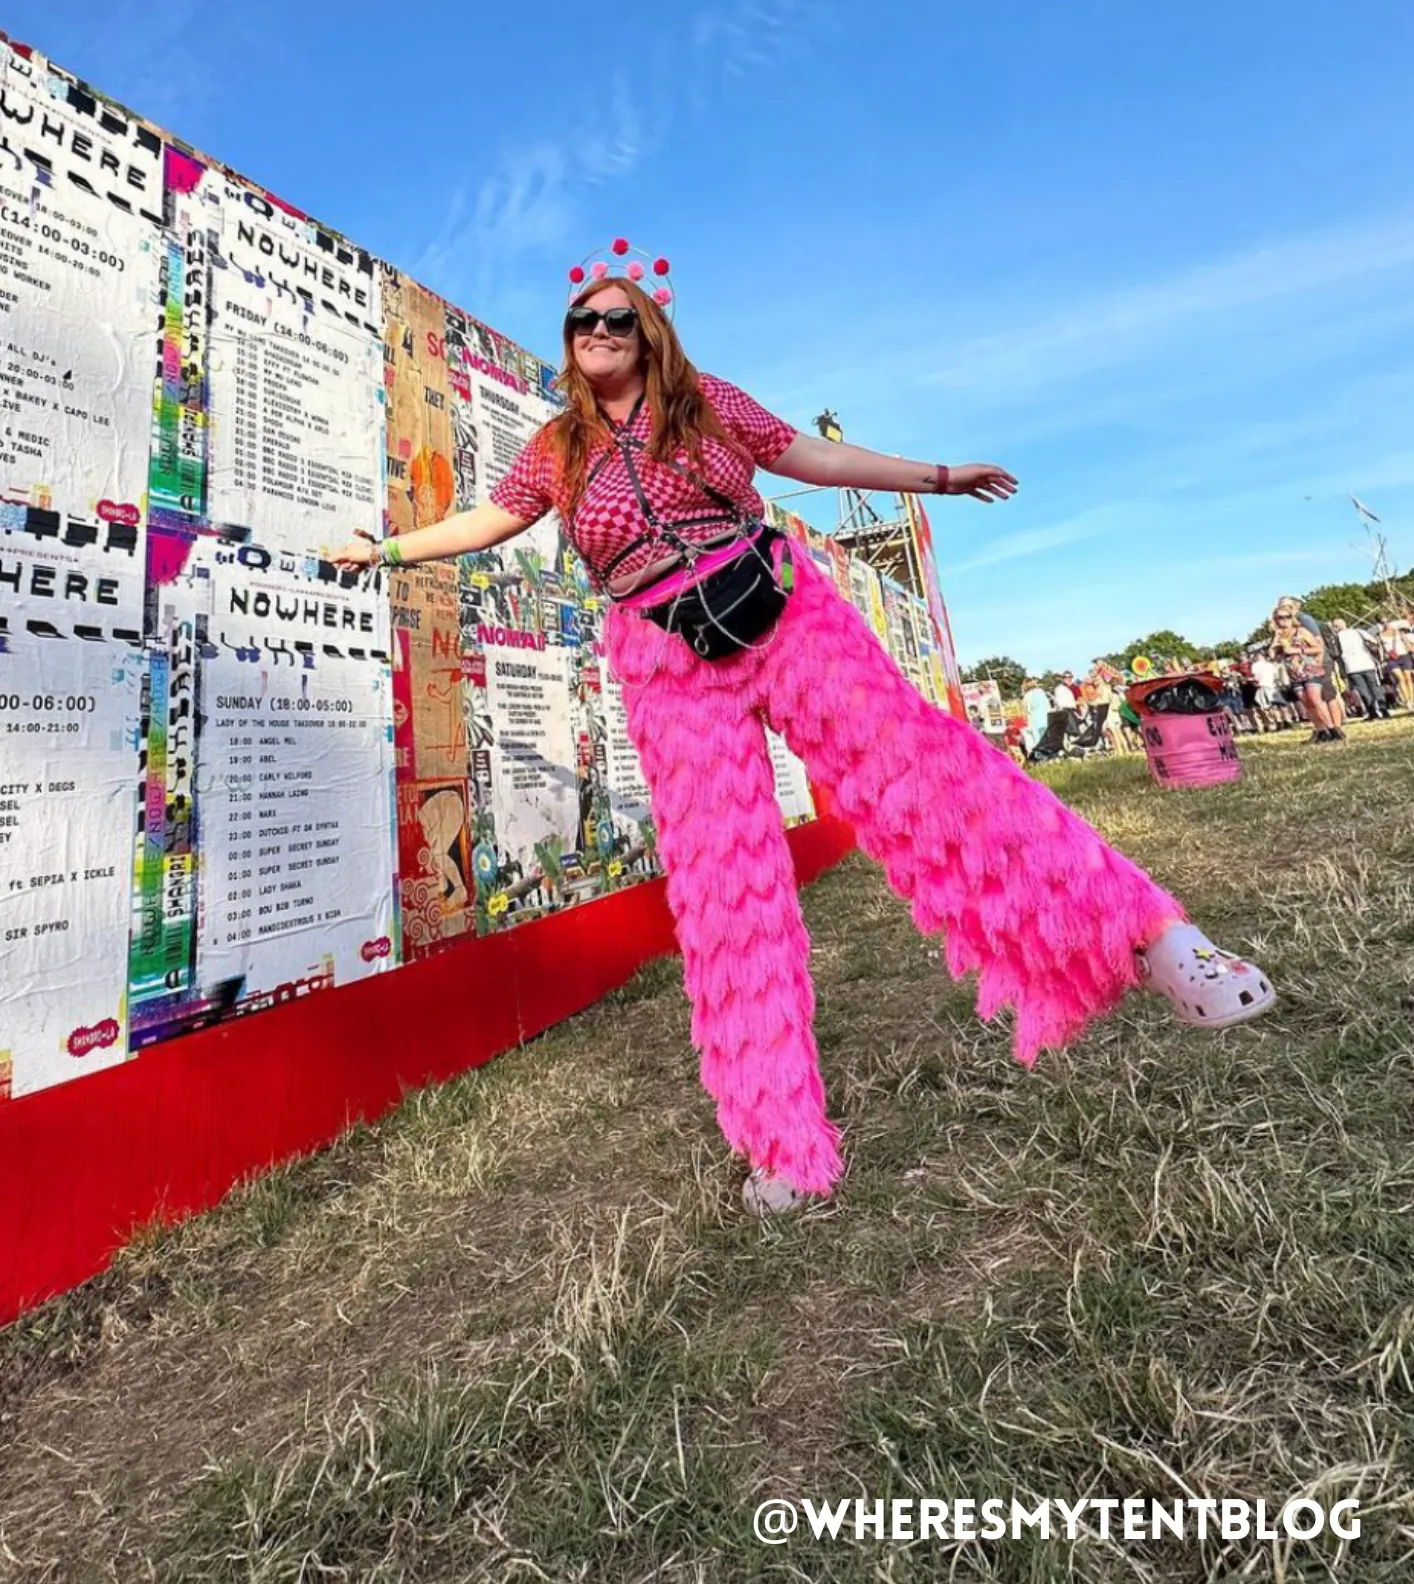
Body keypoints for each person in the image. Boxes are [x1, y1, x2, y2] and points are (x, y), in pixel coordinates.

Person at [333, 247, 1277, 1215]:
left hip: (781, 608)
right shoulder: (556, 447)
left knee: (921, 769)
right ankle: (781, 1142)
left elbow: (810, 458)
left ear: (649, 331)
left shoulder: (706, 404)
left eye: (619, 318)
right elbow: (489, 519)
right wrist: (388, 549)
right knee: (720, 884)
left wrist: (937, 476)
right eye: (584, 320)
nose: (600, 332)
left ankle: (1154, 936)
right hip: (664, 656)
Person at [1269, 599, 1342, 743]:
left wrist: (1296, 650)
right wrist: (1274, 643)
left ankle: (1333, 729)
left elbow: (1318, 648)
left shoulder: (1301, 631)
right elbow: (1272, 656)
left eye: (1287, 617)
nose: (1284, 620)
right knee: (1306, 702)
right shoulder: (1278, 636)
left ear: (1292, 618)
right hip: (1294, 672)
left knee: (1315, 699)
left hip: (1309, 667)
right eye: (1280, 617)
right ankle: (1321, 731)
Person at [1329, 618, 1387, 721]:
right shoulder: (1358, 632)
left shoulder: (1336, 638)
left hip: (1351, 667)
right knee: (1375, 688)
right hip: (1367, 663)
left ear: (1336, 627)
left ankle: (1372, 711)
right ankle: (1383, 710)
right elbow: (1373, 641)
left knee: (1363, 690)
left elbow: (1336, 654)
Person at [1379, 613, 1414, 713]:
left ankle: (1411, 699)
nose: (1386, 624)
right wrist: (1383, 659)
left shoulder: (1398, 631)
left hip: (1404, 655)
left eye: (1386, 622)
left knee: (1408, 678)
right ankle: (1407, 702)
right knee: (1400, 679)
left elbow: (1406, 642)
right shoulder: (1380, 635)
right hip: (1391, 659)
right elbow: (1381, 648)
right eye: (1382, 622)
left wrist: (1410, 648)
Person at [1020, 677, 1050, 755]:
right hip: (1045, 719)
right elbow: (1047, 705)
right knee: (1046, 738)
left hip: (1034, 722)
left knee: (1037, 740)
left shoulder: (1026, 696)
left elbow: (1025, 711)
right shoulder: (1041, 692)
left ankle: (1040, 756)